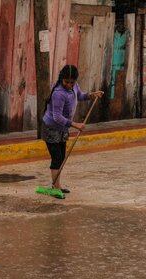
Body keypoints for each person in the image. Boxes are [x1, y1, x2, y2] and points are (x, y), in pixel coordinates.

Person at [42, 65, 103, 194]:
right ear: (62, 79)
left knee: (62, 156)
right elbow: (57, 117)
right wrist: (76, 125)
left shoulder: (74, 86)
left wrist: (92, 95)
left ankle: (56, 185)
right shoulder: (58, 93)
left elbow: (80, 96)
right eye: (66, 82)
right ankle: (56, 187)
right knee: (57, 158)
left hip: (62, 129)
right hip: (51, 128)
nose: (69, 85)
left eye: (72, 82)